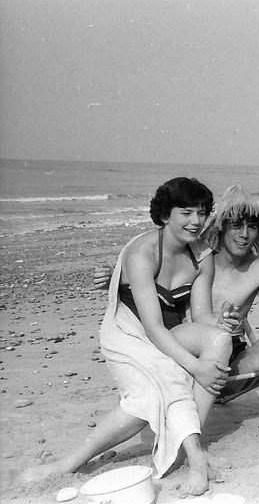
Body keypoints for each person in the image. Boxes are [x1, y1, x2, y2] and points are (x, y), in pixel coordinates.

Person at [90, 185, 259, 453]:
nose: (244, 234)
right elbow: (154, 290)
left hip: (232, 363)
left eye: (252, 227)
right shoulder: (194, 257)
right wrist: (115, 279)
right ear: (221, 226)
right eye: (236, 225)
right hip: (186, 362)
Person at [21, 177, 236, 495]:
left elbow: (200, 314)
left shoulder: (202, 256)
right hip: (127, 335)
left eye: (202, 213)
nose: (196, 221)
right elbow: (152, 327)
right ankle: (71, 462)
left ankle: (191, 446)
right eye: (186, 212)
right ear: (166, 215)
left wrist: (219, 321)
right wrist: (195, 367)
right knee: (148, 398)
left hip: (168, 331)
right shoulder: (142, 253)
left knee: (220, 339)